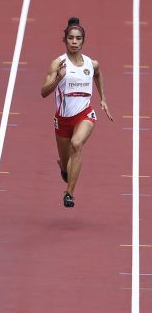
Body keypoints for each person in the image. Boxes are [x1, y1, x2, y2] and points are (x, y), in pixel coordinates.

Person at [40, 17, 113, 208]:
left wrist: (103, 98)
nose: (74, 41)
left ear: (83, 41)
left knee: (76, 144)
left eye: (78, 38)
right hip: (62, 120)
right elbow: (43, 92)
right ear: (65, 40)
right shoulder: (58, 64)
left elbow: (98, 74)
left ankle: (69, 194)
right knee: (66, 167)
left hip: (85, 115)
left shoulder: (91, 64)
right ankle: (65, 171)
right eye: (71, 38)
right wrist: (58, 78)